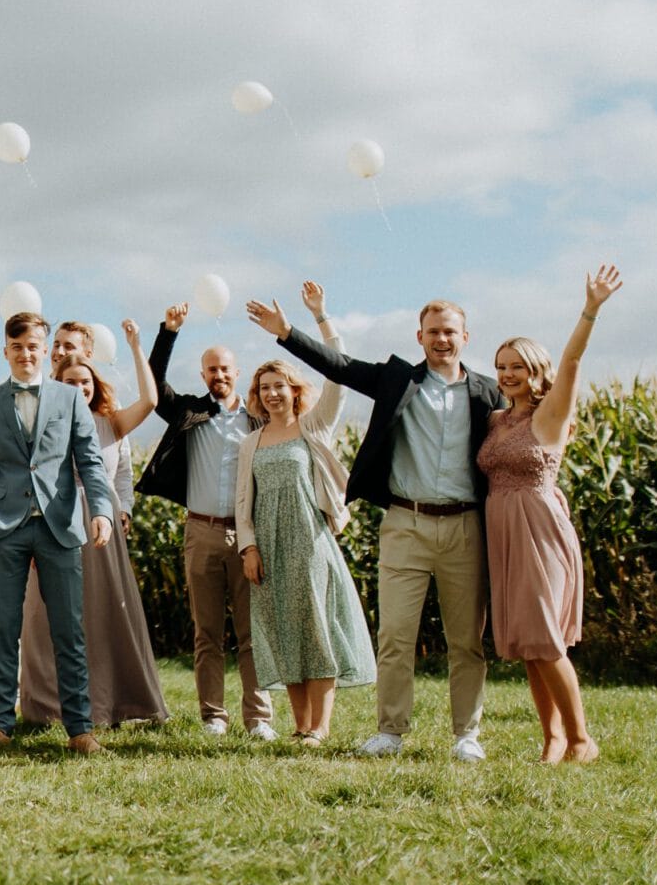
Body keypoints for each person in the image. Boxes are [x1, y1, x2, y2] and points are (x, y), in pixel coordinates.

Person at [265, 288, 504, 761]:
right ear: (420, 337)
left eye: (449, 332)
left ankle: (466, 736)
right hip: (404, 523)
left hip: (465, 527)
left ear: (465, 337)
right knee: (395, 635)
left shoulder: (487, 391)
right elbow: (343, 367)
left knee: (466, 641)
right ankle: (390, 732)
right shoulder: (398, 379)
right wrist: (289, 333)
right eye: (433, 332)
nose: (442, 339)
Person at [483, 266, 621, 763]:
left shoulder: (551, 413)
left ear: (536, 370)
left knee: (543, 636)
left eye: (517, 366)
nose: (507, 374)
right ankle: (552, 739)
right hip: (501, 529)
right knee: (526, 642)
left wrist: (591, 308)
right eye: (500, 366)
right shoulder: (497, 420)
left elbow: (573, 358)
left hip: (539, 529)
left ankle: (582, 739)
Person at [0, 312, 117, 755]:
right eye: (17, 347)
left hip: (59, 525)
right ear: (6, 351)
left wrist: (103, 511)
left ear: (45, 348)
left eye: (34, 346)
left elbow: (90, 461)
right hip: (5, 527)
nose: (26, 354)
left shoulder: (70, 399)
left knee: (68, 631)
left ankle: (79, 729)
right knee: (4, 630)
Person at [17, 319, 167, 729]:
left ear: (94, 385)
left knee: (103, 615)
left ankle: (110, 702)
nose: (79, 387)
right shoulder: (41, 422)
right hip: (54, 524)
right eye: (70, 381)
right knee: (44, 616)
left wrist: (137, 347)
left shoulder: (110, 423)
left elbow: (151, 401)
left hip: (101, 529)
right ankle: (49, 707)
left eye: (85, 381)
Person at [239, 286, 371, 744]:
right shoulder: (250, 443)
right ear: (257, 396)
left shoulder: (313, 427)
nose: (272, 393)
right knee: (282, 632)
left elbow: (339, 375)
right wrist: (248, 547)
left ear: (294, 391)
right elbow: (243, 503)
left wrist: (320, 317)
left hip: (309, 538)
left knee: (315, 629)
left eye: (280, 385)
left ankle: (321, 727)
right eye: (264, 387)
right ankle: (298, 727)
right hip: (267, 546)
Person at [139, 306, 271, 738]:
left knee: (253, 633)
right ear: (203, 374)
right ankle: (213, 716)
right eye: (212, 369)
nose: (220, 375)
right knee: (207, 632)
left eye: (226, 368)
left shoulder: (258, 420)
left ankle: (258, 719)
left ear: (238, 372)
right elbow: (154, 384)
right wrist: (168, 333)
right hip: (200, 531)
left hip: (248, 537)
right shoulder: (189, 413)